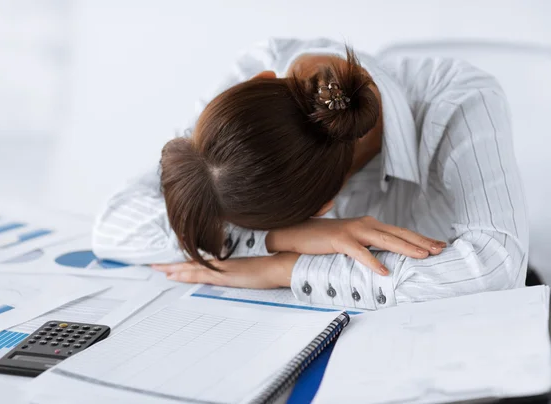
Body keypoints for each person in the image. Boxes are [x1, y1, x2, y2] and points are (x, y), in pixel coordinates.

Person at [92, 38, 528, 310]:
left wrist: (282, 269)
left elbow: (493, 268)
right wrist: (286, 237)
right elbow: (113, 227)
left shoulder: (458, 98)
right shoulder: (241, 104)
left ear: (324, 206)